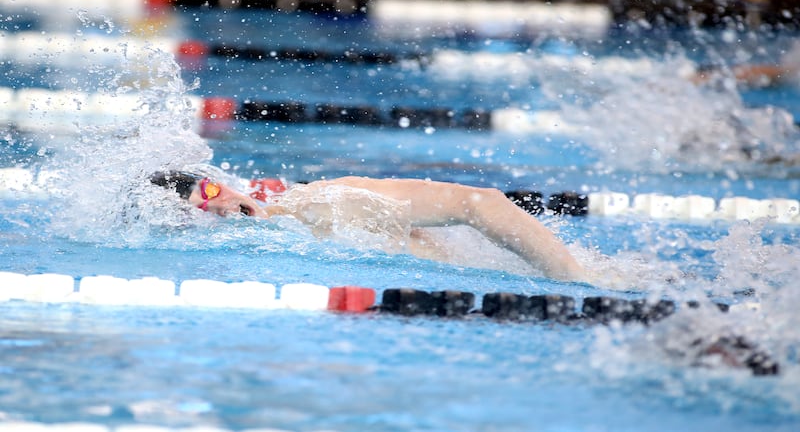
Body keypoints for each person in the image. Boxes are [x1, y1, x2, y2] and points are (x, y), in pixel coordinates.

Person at [149, 171, 588, 282]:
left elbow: (479, 202)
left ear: (222, 183)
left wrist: (578, 281)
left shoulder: (323, 201)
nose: (219, 207)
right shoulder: (270, 253)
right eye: (199, 209)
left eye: (208, 192)